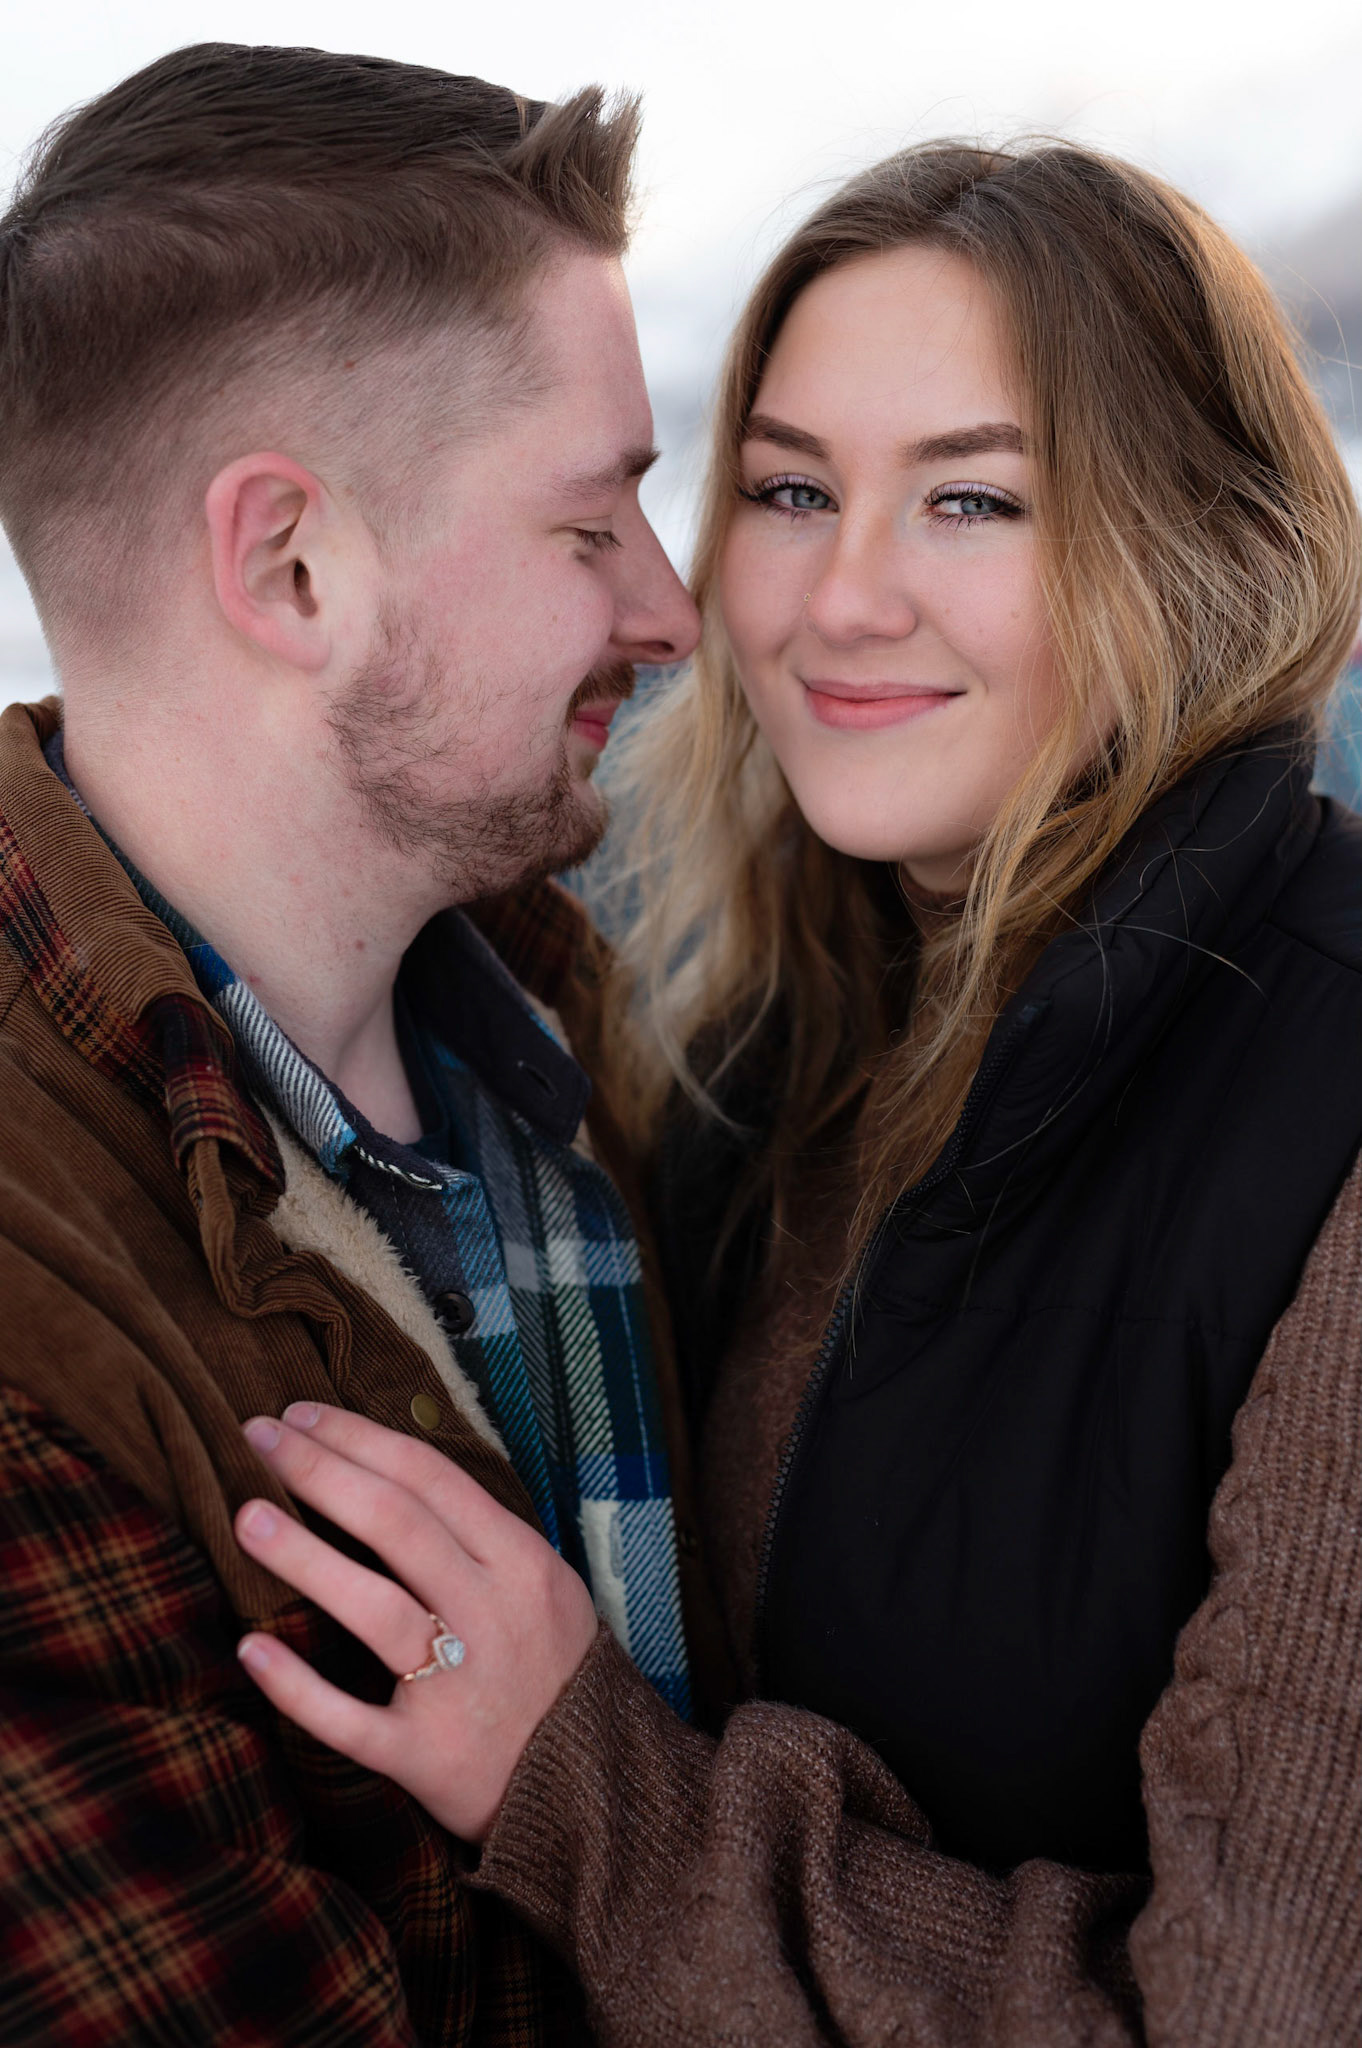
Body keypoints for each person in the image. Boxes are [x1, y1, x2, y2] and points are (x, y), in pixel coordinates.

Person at [232, 141, 1362, 2043]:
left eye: (972, 500)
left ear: (1208, 547)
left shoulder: (1327, 1102)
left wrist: (595, 1794)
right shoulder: (753, 1045)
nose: (838, 599)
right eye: (789, 490)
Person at [0, 40, 708, 2045]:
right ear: (292, 567)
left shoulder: (561, 1014)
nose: (671, 612)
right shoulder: (32, 1296)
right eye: (591, 524)